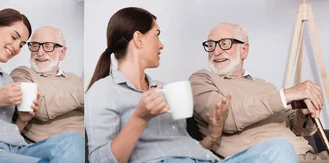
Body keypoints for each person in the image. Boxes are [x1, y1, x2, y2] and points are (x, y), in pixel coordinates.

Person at [85, 7, 298, 163]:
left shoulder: (163, 88)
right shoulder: (103, 92)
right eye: (157, 35)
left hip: (205, 160)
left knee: (279, 149)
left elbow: (184, 147)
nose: (162, 45)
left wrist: (213, 135)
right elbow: (100, 161)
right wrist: (140, 118)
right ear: (139, 39)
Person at [190, 22, 328, 162]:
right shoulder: (201, 80)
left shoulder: (264, 86)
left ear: (244, 50)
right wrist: (286, 94)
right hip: (268, 156)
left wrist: (305, 113)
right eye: (211, 45)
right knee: (281, 148)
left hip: (306, 158)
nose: (216, 51)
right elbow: (226, 119)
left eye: (225, 43)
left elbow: (300, 132)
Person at [0, 8, 84, 163]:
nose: (16, 48)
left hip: (16, 147)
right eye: (13, 37)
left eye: (21, 44)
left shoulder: (5, 79)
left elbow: (9, 132)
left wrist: (23, 120)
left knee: (73, 140)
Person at [10, 26, 84, 143]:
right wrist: (83, 94)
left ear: (62, 52)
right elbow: (36, 109)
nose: (39, 52)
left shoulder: (75, 80)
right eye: (35, 45)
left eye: (48, 46)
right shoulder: (22, 74)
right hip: (52, 147)